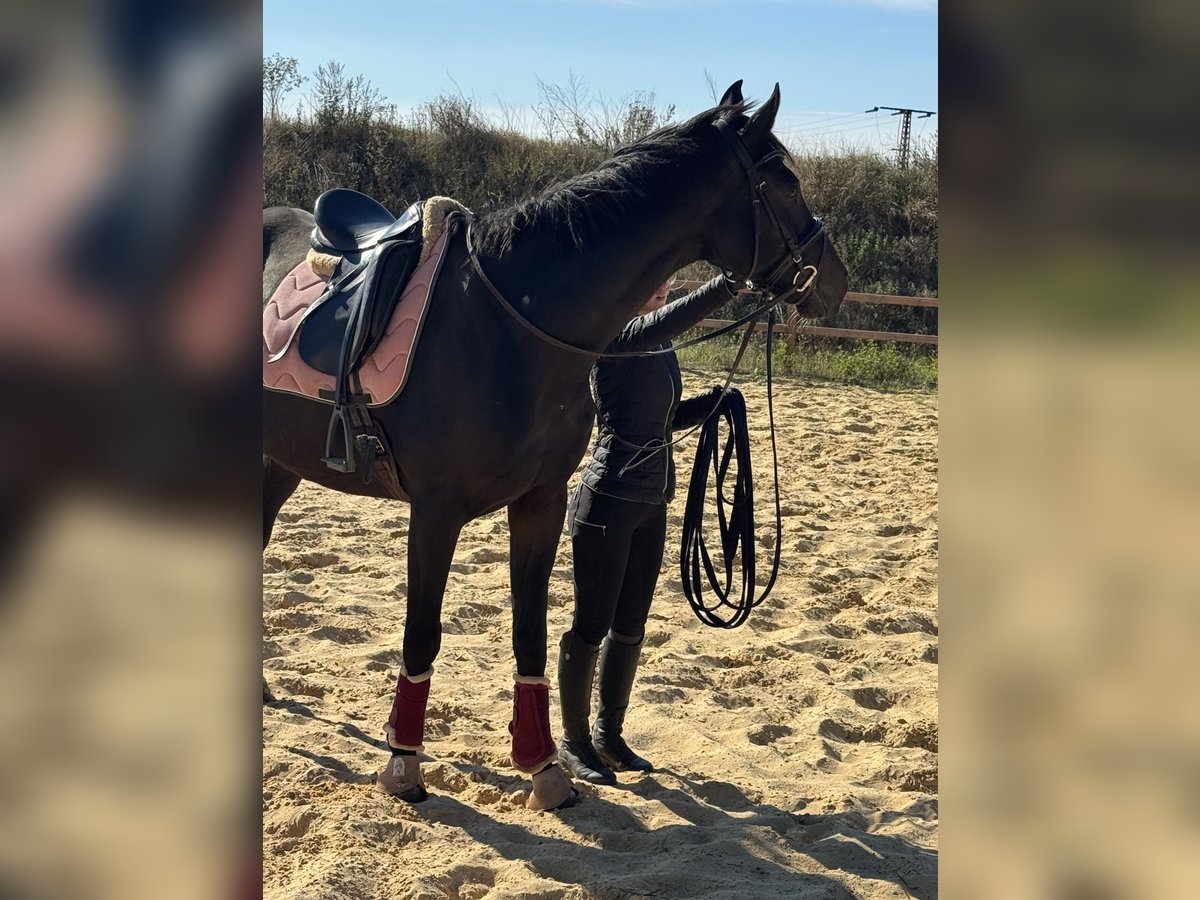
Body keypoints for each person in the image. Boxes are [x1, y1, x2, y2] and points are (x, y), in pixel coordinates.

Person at [558, 273, 740, 784]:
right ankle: (573, 742)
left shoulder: (660, 345)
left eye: (668, 281)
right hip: (608, 499)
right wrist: (730, 283)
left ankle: (608, 735)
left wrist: (715, 404)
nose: (662, 288)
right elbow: (677, 316)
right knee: (592, 623)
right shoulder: (617, 335)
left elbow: (662, 419)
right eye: (652, 279)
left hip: (650, 500)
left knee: (631, 624)